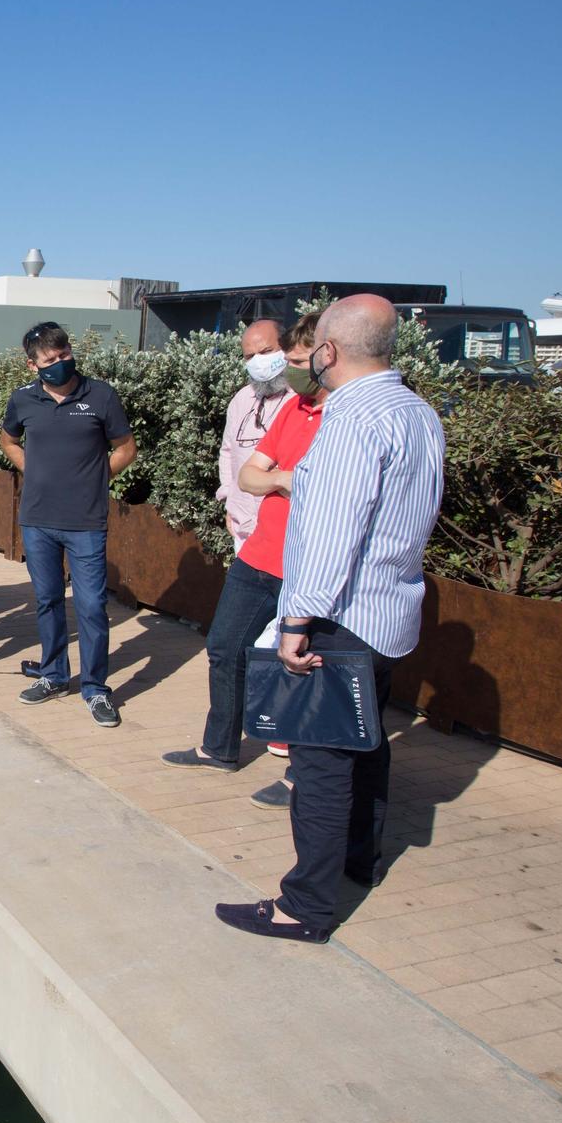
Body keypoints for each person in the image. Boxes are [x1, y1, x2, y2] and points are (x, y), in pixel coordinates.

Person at [215, 295, 445, 944]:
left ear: (329, 351)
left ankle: (306, 905)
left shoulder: (350, 419)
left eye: (311, 344)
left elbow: (329, 532)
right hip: (390, 609)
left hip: (339, 613)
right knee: (366, 746)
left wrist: (296, 621)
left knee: (320, 765)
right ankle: (358, 862)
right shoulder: (418, 413)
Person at [161, 316, 325, 777]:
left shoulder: (329, 412)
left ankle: (302, 765)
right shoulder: (269, 406)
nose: (263, 364)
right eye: (248, 356)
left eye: (276, 354)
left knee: (300, 657)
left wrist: (274, 479)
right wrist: (259, 486)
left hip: (308, 560)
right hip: (255, 549)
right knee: (225, 646)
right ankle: (220, 748)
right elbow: (243, 466)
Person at [0, 322, 137, 727]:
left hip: (85, 521)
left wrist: (95, 477)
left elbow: (126, 448)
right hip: (37, 519)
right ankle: (54, 675)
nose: (60, 363)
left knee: (92, 606)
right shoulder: (23, 399)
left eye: (64, 355)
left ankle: (95, 688)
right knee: (48, 600)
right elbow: (8, 440)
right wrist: (32, 467)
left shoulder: (101, 395)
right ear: (32, 365)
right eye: (50, 360)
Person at [219, 319, 289, 555]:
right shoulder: (242, 399)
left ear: (285, 347)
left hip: (284, 527)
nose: (258, 361)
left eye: (266, 352)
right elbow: (228, 450)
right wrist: (230, 498)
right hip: (243, 525)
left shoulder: (299, 399)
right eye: (250, 356)